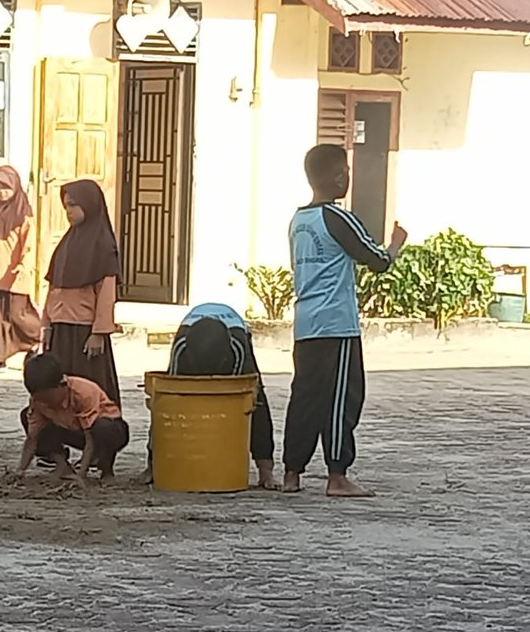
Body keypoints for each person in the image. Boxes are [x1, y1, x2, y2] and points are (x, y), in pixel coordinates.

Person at [283, 144, 407, 497]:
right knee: (341, 399)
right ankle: (337, 475)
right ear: (338, 178)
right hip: (336, 324)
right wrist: (396, 245)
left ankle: (292, 472)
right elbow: (377, 260)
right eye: (346, 171)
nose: (349, 177)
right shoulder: (338, 218)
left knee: (305, 396)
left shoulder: (298, 221)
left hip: (306, 323)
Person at [135, 302, 276, 490]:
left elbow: (245, 398)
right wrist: (154, 460)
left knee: (255, 400)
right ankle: (152, 466)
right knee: (167, 401)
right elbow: (165, 401)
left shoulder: (237, 347)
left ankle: (265, 470)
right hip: (191, 334)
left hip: (233, 330)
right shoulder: (182, 347)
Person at [43, 179, 121, 404]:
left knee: (89, 387)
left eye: (73, 205)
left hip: (85, 332)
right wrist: (47, 324)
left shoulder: (103, 246)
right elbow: (53, 288)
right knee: (60, 387)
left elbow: (106, 294)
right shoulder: (65, 244)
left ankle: (94, 424)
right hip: (60, 329)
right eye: (66, 205)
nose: (68, 211)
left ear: (89, 204)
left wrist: (99, 332)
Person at [13, 352, 129, 486]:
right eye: (40, 398)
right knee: (26, 416)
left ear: (61, 385)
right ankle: (63, 467)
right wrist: (20, 470)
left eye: (48, 398)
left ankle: (107, 471)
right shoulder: (37, 401)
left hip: (104, 431)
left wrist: (81, 475)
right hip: (72, 430)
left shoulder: (83, 393)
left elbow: (90, 439)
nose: (45, 402)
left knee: (103, 429)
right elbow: (32, 439)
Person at [0, 165, 42, 365]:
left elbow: (30, 244)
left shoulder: (23, 215)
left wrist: (24, 265)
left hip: (16, 272)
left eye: (6, 188)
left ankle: (41, 336)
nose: (1, 192)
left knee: (19, 315)